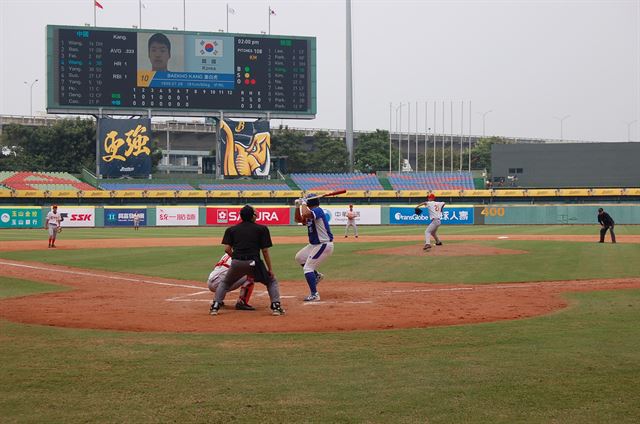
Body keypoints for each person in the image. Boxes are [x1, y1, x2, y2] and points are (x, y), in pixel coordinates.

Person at [210, 205, 284, 316]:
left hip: (236, 263)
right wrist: (270, 269)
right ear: (252, 216)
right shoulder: (262, 229)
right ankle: (276, 307)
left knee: (225, 283)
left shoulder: (231, 229)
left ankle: (215, 306)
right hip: (254, 262)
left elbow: (227, 249)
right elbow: (265, 251)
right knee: (271, 281)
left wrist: (235, 257)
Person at [294, 194, 334, 302]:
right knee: (299, 257)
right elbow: (298, 219)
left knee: (308, 268)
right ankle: (316, 276)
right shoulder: (311, 214)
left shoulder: (318, 210)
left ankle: (314, 294)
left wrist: (303, 203)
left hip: (323, 244)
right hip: (314, 245)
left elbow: (306, 213)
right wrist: (297, 206)